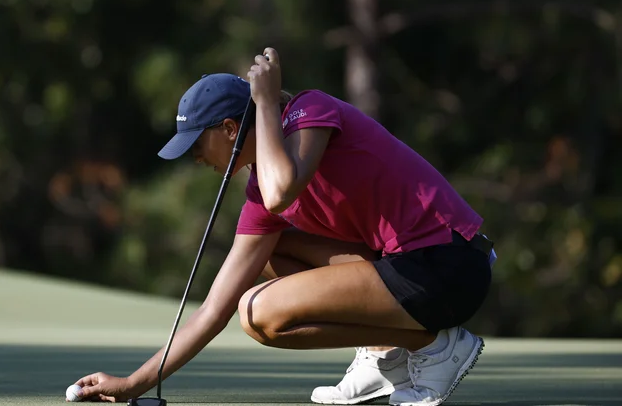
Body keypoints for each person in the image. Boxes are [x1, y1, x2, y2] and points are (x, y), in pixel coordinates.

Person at [71, 48, 496, 406]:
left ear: (230, 129)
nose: (196, 159)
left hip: (449, 264)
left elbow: (282, 193)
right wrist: (133, 384)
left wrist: (267, 102)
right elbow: (213, 308)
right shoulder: (261, 185)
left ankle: (432, 347)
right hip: (405, 270)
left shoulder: (311, 111)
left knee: (258, 311)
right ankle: (386, 351)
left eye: (198, 145)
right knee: (272, 256)